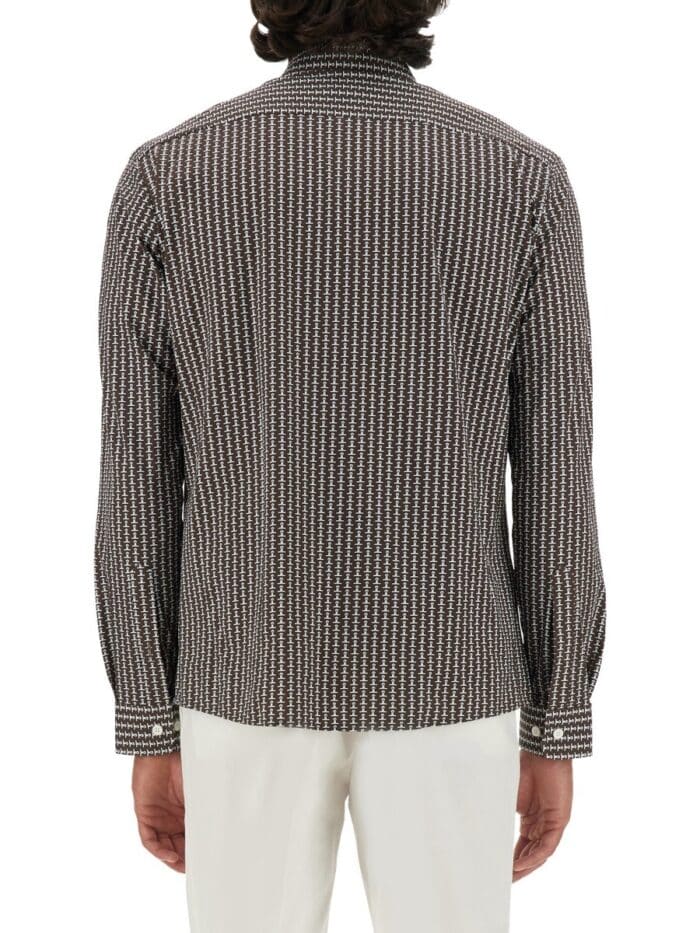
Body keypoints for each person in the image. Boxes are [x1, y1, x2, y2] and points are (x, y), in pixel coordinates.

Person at [94, 2, 606, 930]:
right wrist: (557, 716)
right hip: (453, 674)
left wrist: (149, 715)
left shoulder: (169, 177)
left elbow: (136, 477)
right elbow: (556, 476)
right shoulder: (520, 179)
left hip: (244, 673)